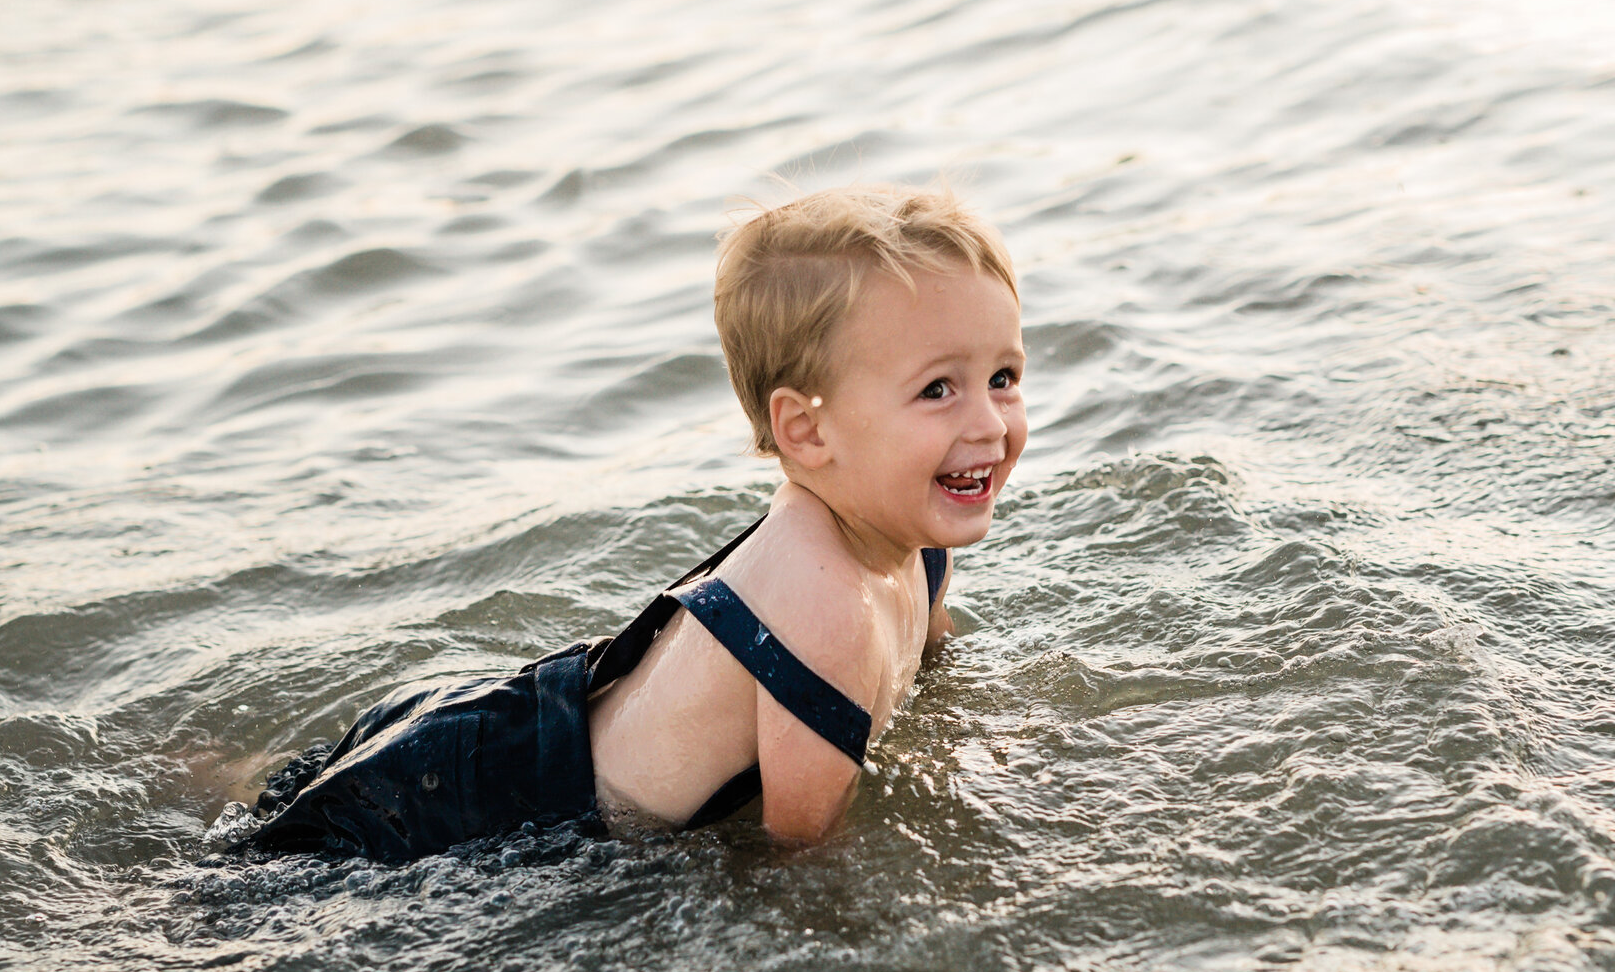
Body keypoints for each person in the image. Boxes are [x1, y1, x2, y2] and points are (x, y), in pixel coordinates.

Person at [239, 185, 1026, 861]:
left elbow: (941, 691)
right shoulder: (828, 609)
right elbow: (798, 863)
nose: (990, 422)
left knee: (267, 806)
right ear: (808, 432)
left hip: (517, 729)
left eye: (1002, 377)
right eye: (937, 390)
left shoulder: (914, 544)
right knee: (240, 877)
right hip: (481, 805)